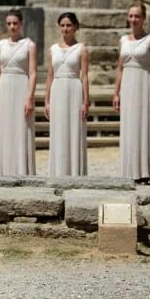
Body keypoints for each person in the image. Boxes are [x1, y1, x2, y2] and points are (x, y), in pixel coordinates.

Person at [113, 2, 150, 183]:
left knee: (143, 125)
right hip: (127, 85)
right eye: (131, 16)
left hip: (143, 84)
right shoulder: (123, 41)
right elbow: (119, 68)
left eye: (137, 16)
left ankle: (143, 171)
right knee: (128, 126)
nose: (134, 20)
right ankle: (128, 170)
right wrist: (116, 92)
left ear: (144, 18)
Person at [0, 9, 37, 176]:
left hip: (21, 86)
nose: (12, 27)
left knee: (22, 126)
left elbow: (32, 73)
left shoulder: (29, 45)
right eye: (9, 23)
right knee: (4, 126)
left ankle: (22, 169)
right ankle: (3, 169)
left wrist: (29, 97)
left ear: (21, 24)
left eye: (15, 23)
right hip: (4, 87)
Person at [44, 12, 90, 177]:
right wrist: (47, 100)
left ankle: (75, 172)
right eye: (62, 25)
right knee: (58, 130)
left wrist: (86, 101)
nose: (65, 29)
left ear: (75, 27)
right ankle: (58, 172)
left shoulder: (81, 49)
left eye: (69, 25)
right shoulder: (53, 50)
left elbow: (84, 76)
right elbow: (49, 75)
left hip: (74, 88)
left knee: (74, 129)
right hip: (57, 89)